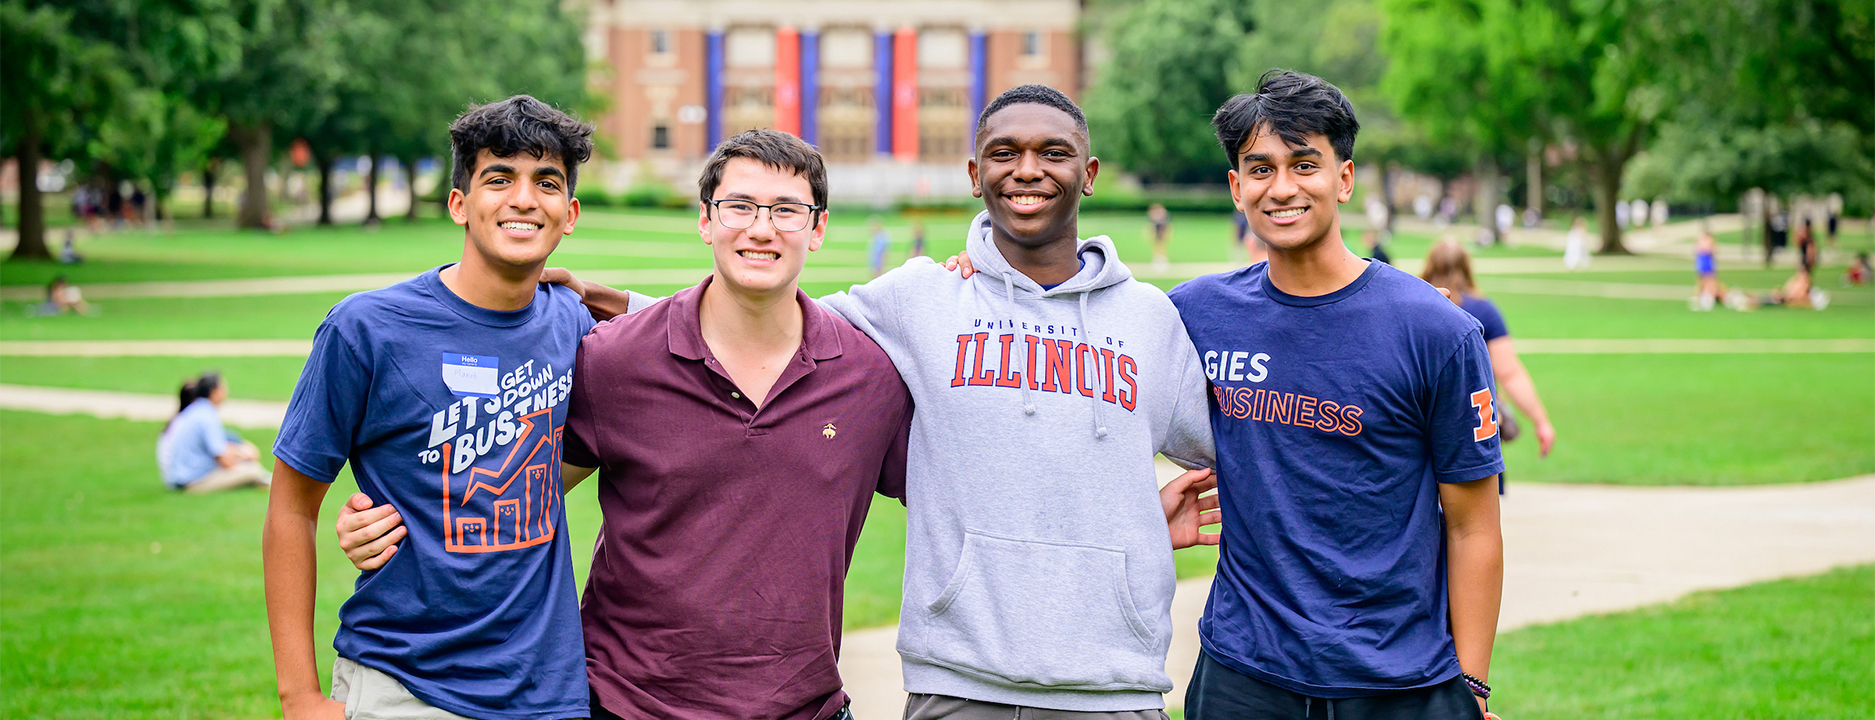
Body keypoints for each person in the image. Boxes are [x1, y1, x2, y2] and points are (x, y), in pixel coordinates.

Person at [528, 84, 1221, 719]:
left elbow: (1238, 448)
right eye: (1004, 153)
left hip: (1110, 680)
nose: (1027, 170)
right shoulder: (918, 298)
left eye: (1053, 152)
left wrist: (1124, 517)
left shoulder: (1148, 319)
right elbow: (761, 323)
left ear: (1088, 173)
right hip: (953, 679)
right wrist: (627, 310)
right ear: (973, 174)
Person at [1170, 70, 1503, 720]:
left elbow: (1472, 526)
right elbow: (1080, 328)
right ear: (1237, 188)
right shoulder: (1195, 314)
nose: (1283, 187)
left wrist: (1472, 686)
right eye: (1259, 169)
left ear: (1343, 179)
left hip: (1397, 678)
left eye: (1304, 164)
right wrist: (976, 266)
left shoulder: (1434, 331)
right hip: (1243, 672)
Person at [262, 95, 600, 720]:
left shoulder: (573, 325)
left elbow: (702, 342)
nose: (524, 199)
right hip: (405, 684)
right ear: (458, 204)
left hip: (549, 694)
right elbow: (290, 504)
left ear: (570, 213)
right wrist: (300, 698)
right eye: (498, 178)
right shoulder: (367, 328)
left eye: (546, 182)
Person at [1421, 239, 1559, 469]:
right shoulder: (1484, 310)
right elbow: (1509, 373)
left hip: (1422, 425)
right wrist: (1540, 421)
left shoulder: (1416, 305)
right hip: (1476, 427)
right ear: (1467, 267)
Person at [157, 372, 269, 492]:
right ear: (214, 391)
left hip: (182, 477)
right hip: (193, 482)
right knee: (253, 470)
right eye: (223, 388)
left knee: (248, 467)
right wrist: (244, 462)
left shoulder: (196, 410)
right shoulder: (207, 415)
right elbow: (224, 459)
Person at [1691, 230, 1727, 310]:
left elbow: (1713, 251)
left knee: (1710, 281)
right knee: (1703, 281)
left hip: (1707, 262)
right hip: (1703, 262)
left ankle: (1714, 297)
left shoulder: (1707, 241)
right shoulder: (1703, 241)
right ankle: (1701, 298)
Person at [1147, 202, 1172, 270]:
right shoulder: (1154, 214)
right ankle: (1157, 258)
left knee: (1162, 244)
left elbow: (1166, 224)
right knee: (1156, 244)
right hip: (1156, 228)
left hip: (1161, 229)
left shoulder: (1163, 214)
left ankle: (1163, 258)